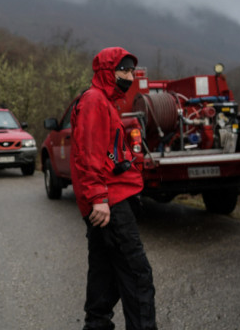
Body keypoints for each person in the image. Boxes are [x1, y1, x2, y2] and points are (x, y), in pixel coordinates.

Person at [70, 47, 157, 330]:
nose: (130, 76)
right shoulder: (95, 101)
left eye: (132, 71)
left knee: (104, 274)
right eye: (124, 71)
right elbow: (88, 153)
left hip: (109, 198)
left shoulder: (106, 101)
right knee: (137, 274)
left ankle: (96, 326)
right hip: (110, 201)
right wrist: (98, 197)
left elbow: (108, 152)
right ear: (108, 72)